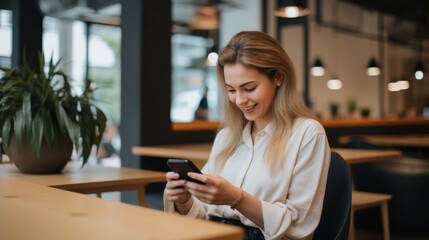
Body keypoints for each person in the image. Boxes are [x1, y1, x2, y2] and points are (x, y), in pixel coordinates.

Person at [164, 31, 331, 240]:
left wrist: (237, 199)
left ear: (278, 77)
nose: (240, 100)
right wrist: (184, 200)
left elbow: (299, 229)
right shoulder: (226, 137)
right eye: (231, 90)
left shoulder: (307, 134)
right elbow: (204, 212)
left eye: (249, 88)